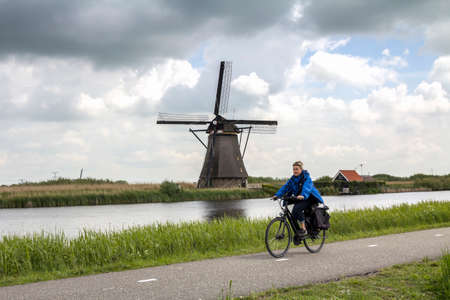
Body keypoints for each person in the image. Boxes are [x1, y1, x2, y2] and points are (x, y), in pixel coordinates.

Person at [272, 161, 324, 240]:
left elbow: (307, 187)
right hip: (299, 198)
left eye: (297, 169)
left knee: (297, 208)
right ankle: (298, 233)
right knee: (292, 214)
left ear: (301, 169)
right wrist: (277, 195)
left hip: (310, 198)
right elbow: (285, 187)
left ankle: (304, 229)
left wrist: (303, 195)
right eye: (293, 169)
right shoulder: (292, 179)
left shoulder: (306, 178)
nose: (295, 171)